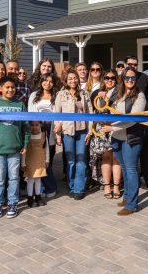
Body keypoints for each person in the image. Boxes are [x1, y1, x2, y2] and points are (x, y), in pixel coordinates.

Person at [99, 67, 146, 215]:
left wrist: (112, 128)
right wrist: (101, 97)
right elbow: (103, 109)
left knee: (131, 170)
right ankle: (127, 197)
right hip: (117, 138)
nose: (130, 81)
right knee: (125, 168)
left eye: (133, 78)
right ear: (123, 79)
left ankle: (132, 205)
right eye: (127, 78)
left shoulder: (140, 96)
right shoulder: (117, 93)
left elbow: (133, 119)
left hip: (131, 138)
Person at [0, 77, 30, 219]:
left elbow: (26, 126)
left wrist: (25, 144)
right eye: (7, 87)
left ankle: (12, 203)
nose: (10, 90)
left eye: (13, 87)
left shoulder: (20, 105)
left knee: (14, 178)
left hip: (15, 149)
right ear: (1, 89)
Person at [54, 69, 93, 200]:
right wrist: (58, 135)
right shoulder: (61, 94)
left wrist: (90, 131)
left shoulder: (84, 94)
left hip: (82, 131)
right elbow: (57, 115)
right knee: (70, 161)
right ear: (66, 80)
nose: (73, 80)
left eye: (75, 78)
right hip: (67, 131)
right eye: (70, 78)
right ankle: (71, 186)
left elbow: (90, 113)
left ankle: (79, 188)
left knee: (81, 160)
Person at [125, 56, 148, 192]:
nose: (132, 66)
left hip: (145, 123)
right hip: (127, 123)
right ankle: (132, 185)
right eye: (130, 64)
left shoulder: (144, 78)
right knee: (130, 159)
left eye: (135, 64)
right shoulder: (123, 77)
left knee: (147, 156)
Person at [90, 69, 122, 199]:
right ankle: (107, 185)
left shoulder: (121, 93)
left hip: (116, 127)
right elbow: (94, 111)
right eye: (107, 78)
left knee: (117, 157)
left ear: (116, 80)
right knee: (106, 157)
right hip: (102, 128)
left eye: (113, 78)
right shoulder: (97, 93)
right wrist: (102, 97)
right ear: (103, 79)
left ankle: (116, 186)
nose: (110, 80)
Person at [27, 73, 60, 198]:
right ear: (41, 82)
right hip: (37, 131)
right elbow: (31, 113)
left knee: (47, 161)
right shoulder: (34, 95)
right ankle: (41, 186)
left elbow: (59, 114)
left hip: (50, 131)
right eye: (45, 81)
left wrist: (57, 134)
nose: (48, 84)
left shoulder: (56, 95)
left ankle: (50, 187)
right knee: (38, 160)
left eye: (51, 81)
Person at [22, 121, 49, 208]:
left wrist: (47, 160)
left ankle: (38, 196)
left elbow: (46, 149)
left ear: (40, 125)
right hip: (29, 161)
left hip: (40, 160)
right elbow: (23, 151)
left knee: (38, 179)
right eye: (32, 125)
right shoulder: (27, 135)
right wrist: (23, 163)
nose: (34, 127)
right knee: (30, 180)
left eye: (37, 125)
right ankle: (30, 198)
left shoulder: (44, 135)